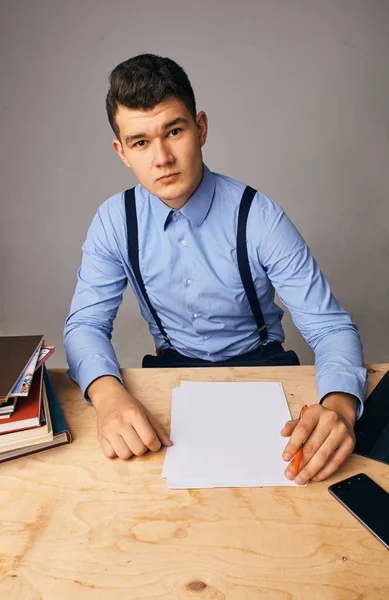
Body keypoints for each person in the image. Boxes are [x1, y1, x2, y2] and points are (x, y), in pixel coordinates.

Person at [64, 53, 367, 485]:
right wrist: (107, 394)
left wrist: (339, 406)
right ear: (122, 152)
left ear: (200, 128)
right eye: (141, 142)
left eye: (174, 131)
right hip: (172, 376)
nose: (163, 157)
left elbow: (330, 327)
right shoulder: (115, 221)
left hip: (266, 371)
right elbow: (85, 324)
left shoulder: (259, 216)